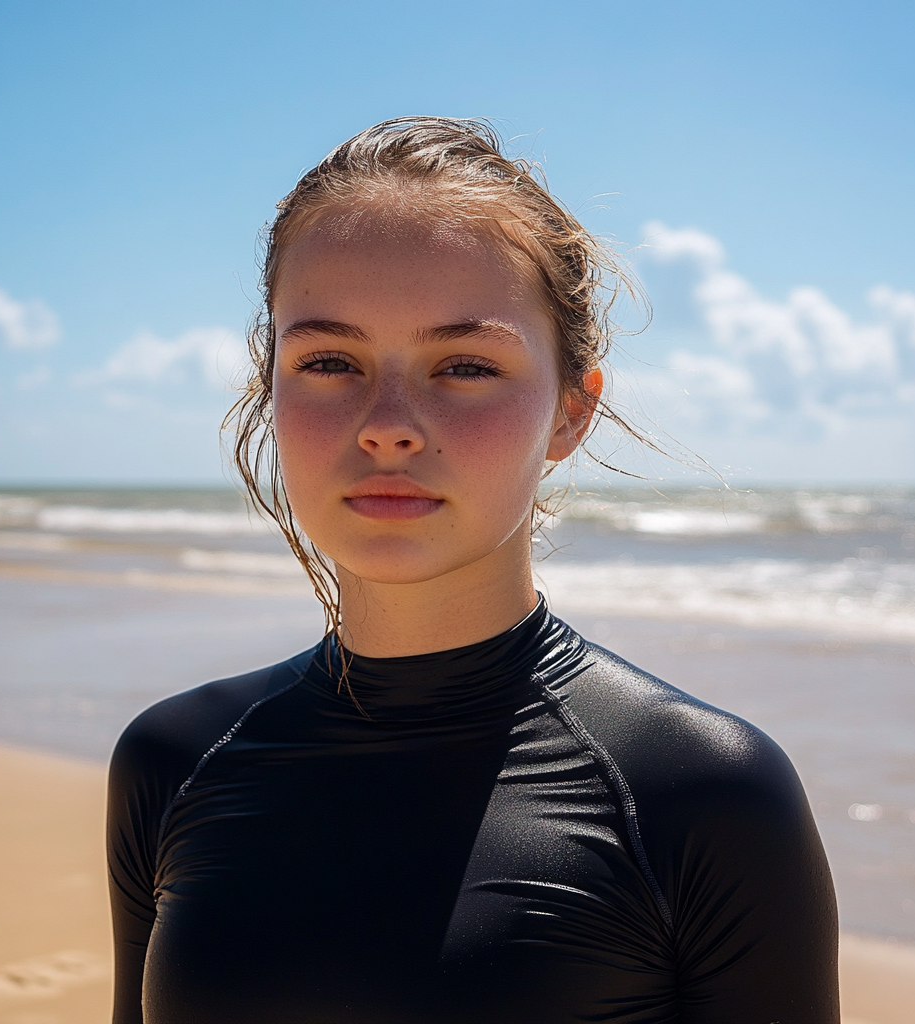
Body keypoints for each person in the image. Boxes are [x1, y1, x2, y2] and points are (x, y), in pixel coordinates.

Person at [107, 117, 839, 1023]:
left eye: (464, 364)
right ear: (272, 386)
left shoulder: (703, 795)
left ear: (572, 411)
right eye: (330, 360)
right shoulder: (171, 763)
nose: (388, 423)